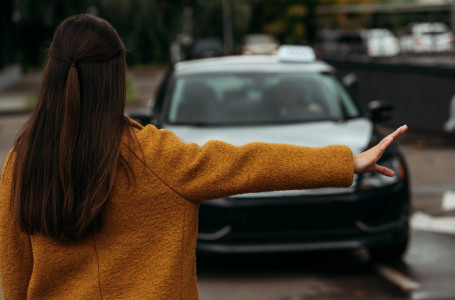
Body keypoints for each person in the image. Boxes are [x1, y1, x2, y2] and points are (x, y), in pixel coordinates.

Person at [0, 14, 407, 299]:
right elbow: (249, 162)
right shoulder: (156, 156)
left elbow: (14, 277)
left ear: (51, 74)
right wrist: (345, 161)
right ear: (116, 78)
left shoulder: (22, 163)